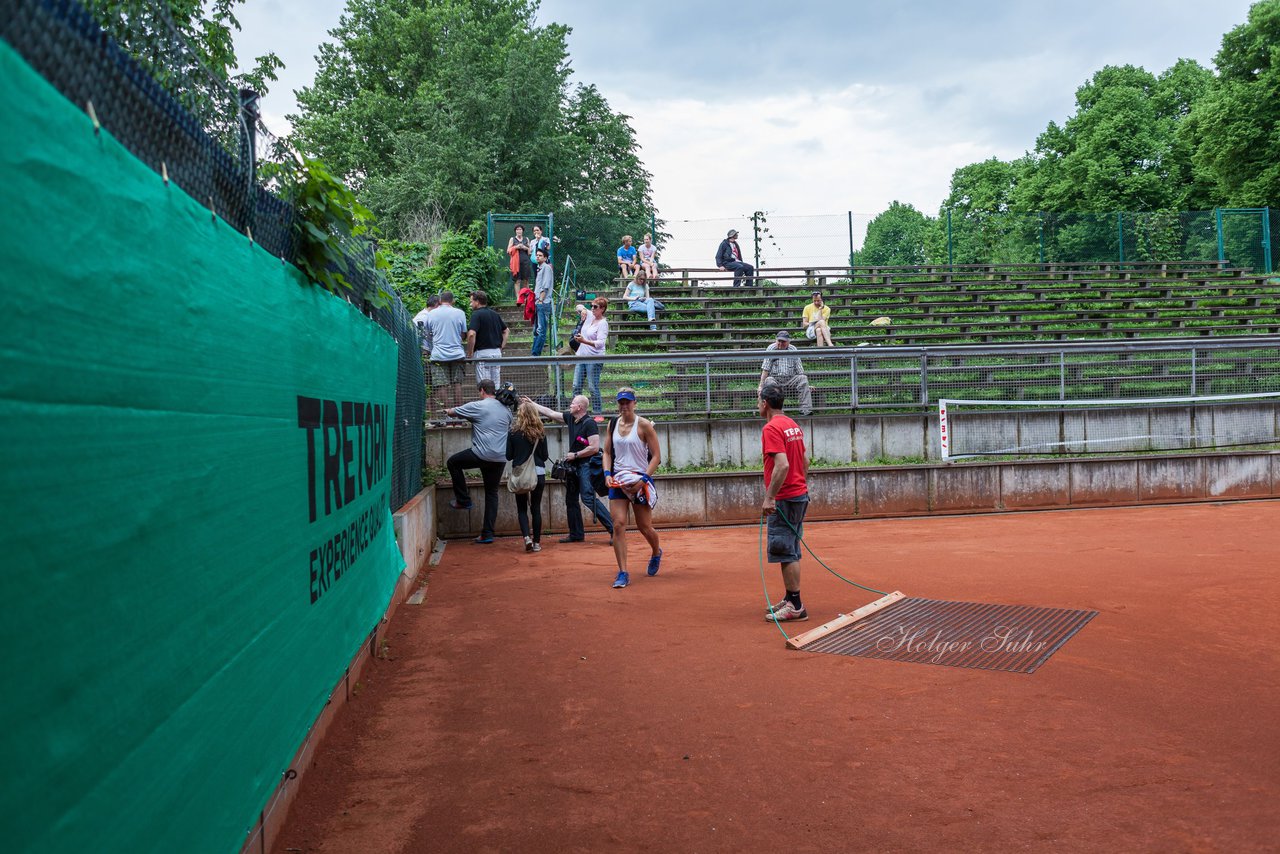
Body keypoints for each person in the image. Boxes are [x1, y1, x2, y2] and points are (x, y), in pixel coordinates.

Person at [521, 394, 614, 543]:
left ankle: (614, 529)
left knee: (588, 498)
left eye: (572, 404)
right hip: (574, 466)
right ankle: (576, 533)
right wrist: (532, 404)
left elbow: (595, 448)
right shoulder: (571, 418)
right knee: (571, 500)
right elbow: (551, 413)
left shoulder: (589, 423)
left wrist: (575, 455)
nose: (570, 406)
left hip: (585, 465)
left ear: (580, 407)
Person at [759, 382, 810, 622]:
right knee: (791, 547)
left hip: (786, 497)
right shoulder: (792, 424)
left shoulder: (771, 428)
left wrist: (770, 497)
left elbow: (783, 464)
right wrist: (800, 484)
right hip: (798, 494)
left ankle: (796, 605)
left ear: (765, 403)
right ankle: (791, 597)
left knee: (786, 550)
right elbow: (804, 460)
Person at [602, 388, 663, 589]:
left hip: (639, 480)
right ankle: (623, 572)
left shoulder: (644, 425)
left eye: (628, 402)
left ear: (635, 403)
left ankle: (656, 551)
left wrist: (644, 479)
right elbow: (607, 452)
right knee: (618, 524)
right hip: (619, 481)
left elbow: (656, 457)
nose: (624, 406)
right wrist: (607, 474)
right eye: (621, 402)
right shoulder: (612, 424)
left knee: (644, 527)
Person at [446, 379, 513, 544]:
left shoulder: (478, 405)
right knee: (492, 493)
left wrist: (446, 410)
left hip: (482, 454)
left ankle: (463, 500)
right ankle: (487, 533)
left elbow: (453, 413)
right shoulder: (506, 410)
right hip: (500, 457)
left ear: (482, 390)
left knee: (453, 463)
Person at [507, 400, 550, 552]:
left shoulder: (513, 432)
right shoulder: (541, 432)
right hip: (538, 473)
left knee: (521, 509)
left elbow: (508, 456)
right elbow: (545, 456)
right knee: (536, 508)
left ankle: (526, 538)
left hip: (521, 475)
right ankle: (537, 543)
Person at [422, 290, 467, 417]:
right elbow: (463, 334)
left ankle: (448, 415)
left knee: (441, 385)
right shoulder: (460, 313)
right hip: (457, 354)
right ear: (452, 301)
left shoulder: (431, 314)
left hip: (438, 355)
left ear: (440, 301)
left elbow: (428, 333)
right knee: (457, 384)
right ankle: (458, 416)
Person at [759, 330, 813, 417]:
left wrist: (807, 385)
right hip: (775, 380)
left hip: (790, 379)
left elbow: (800, 370)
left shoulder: (793, 349)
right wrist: (761, 386)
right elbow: (765, 369)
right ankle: (777, 413)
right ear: (775, 340)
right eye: (779, 341)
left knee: (803, 378)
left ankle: (806, 411)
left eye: (783, 342)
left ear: (788, 342)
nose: (780, 344)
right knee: (769, 380)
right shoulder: (771, 349)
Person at [572, 297, 609, 414]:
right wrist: (583, 309)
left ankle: (597, 411)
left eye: (595, 307)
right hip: (581, 356)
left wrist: (584, 341)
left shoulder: (603, 323)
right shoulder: (589, 315)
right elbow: (577, 307)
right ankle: (576, 411)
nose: (592, 309)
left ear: (602, 309)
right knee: (576, 386)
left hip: (594, 359)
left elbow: (600, 343)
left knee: (592, 387)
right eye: (591, 306)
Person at [467, 290, 508, 386]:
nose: (470, 304)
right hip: (496, 353)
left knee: (484, 386)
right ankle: (495, 400)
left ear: (477, 302)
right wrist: (501, 347)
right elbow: (506, 331)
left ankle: (486, 400)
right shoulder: (495, 314)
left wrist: (470, 353)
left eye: (471, 301)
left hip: (482, 354)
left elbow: (472, 334)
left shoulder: (476, 314)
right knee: (495, 384)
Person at [531, 247, 554, 355]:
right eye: (537, 255)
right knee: (536, 330)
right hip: (538, 302)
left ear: (545, 258)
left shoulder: (546, 268)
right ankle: (534, 353)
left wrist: (540, 300)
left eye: (540, 255)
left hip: (543, 303)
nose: (538, 257)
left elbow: (545, 286)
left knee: (541, 330)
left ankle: (536, 354)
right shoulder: (539, 268)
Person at [507, 225, 531, 292]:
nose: (519, 231)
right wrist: (516, 247)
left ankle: (526, 298)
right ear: (515, 231)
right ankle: (519, 299)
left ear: (522, 231)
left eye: (520, 229)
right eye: (517, 229)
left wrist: (525, 247)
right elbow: (508, 251)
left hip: (525, 262)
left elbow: (530, 252)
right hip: (516, 263)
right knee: (517, 281)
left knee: (526, 280)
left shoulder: (526, 239)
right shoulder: (512, 239)